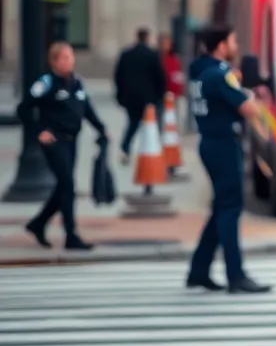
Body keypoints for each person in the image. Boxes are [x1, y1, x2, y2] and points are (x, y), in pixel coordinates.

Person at [185, 24, 272, 294]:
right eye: (233, 41)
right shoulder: (220, 74)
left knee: (221, 207)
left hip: (209, 142)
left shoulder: (201, 71)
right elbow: (246, 108)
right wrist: (259, 103)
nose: (236, 46)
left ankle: (199, 271)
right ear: (221, 46)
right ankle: (236, 275)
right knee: (231, 208)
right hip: (222, 144)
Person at [18, 42, 109, 251]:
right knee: (67, 184)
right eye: (64, 58)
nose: (69, 61)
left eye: (71, 57)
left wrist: (101, 129)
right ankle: (71, 235)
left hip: (72, 140)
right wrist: (39, 130)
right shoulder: (46, 83)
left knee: (64, 186)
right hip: (54, 141)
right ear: (54, 61)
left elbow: (86, 109)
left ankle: (38, 223)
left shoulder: (77, 82)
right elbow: (24, 109)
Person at [114, 27, 166, 165]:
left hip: (131, 97)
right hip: (149, 98)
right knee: (151, 127)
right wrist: (160, 95)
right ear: (147, 38)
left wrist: (120, 95)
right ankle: (151, 151)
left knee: (132, 124)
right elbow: (159, 77)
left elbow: (118, 76)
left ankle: (125, 148)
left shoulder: (126, 54)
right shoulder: (152, 54)